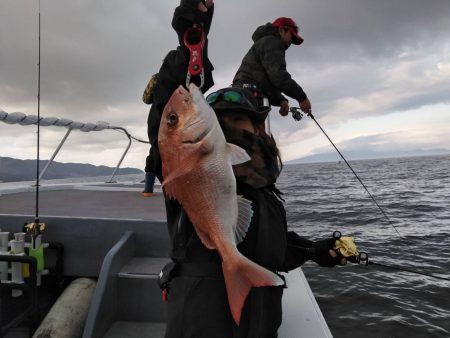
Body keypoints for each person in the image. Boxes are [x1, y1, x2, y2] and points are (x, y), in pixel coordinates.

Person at [160, 86, 346, 338]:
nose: (228, 127)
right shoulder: (184, 170)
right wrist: (186, 56)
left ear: (258, 127)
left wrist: (312, 251)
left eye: (237, 119)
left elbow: (266, 248)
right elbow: (165, 130)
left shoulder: (265, 190)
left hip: (260, 325)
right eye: (221, 120)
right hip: (199, 323)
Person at [142, 0, 215, 193]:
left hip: (169, 149)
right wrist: (195, 12)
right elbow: (192, 42)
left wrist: (202, 15)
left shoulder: (171, 76)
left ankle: (149, 189)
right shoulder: (177, 69)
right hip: (172, 153)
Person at [232, 17, 312, 117]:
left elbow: (264, 80)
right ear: (282, 30)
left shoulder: (265, 42)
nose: (291, 42)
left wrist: (281, 100)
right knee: (256, 131)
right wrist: (302, 98)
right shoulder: (273, 42)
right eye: (291, 36)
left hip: (242, 91)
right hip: (251, 94)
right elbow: (278, 76)